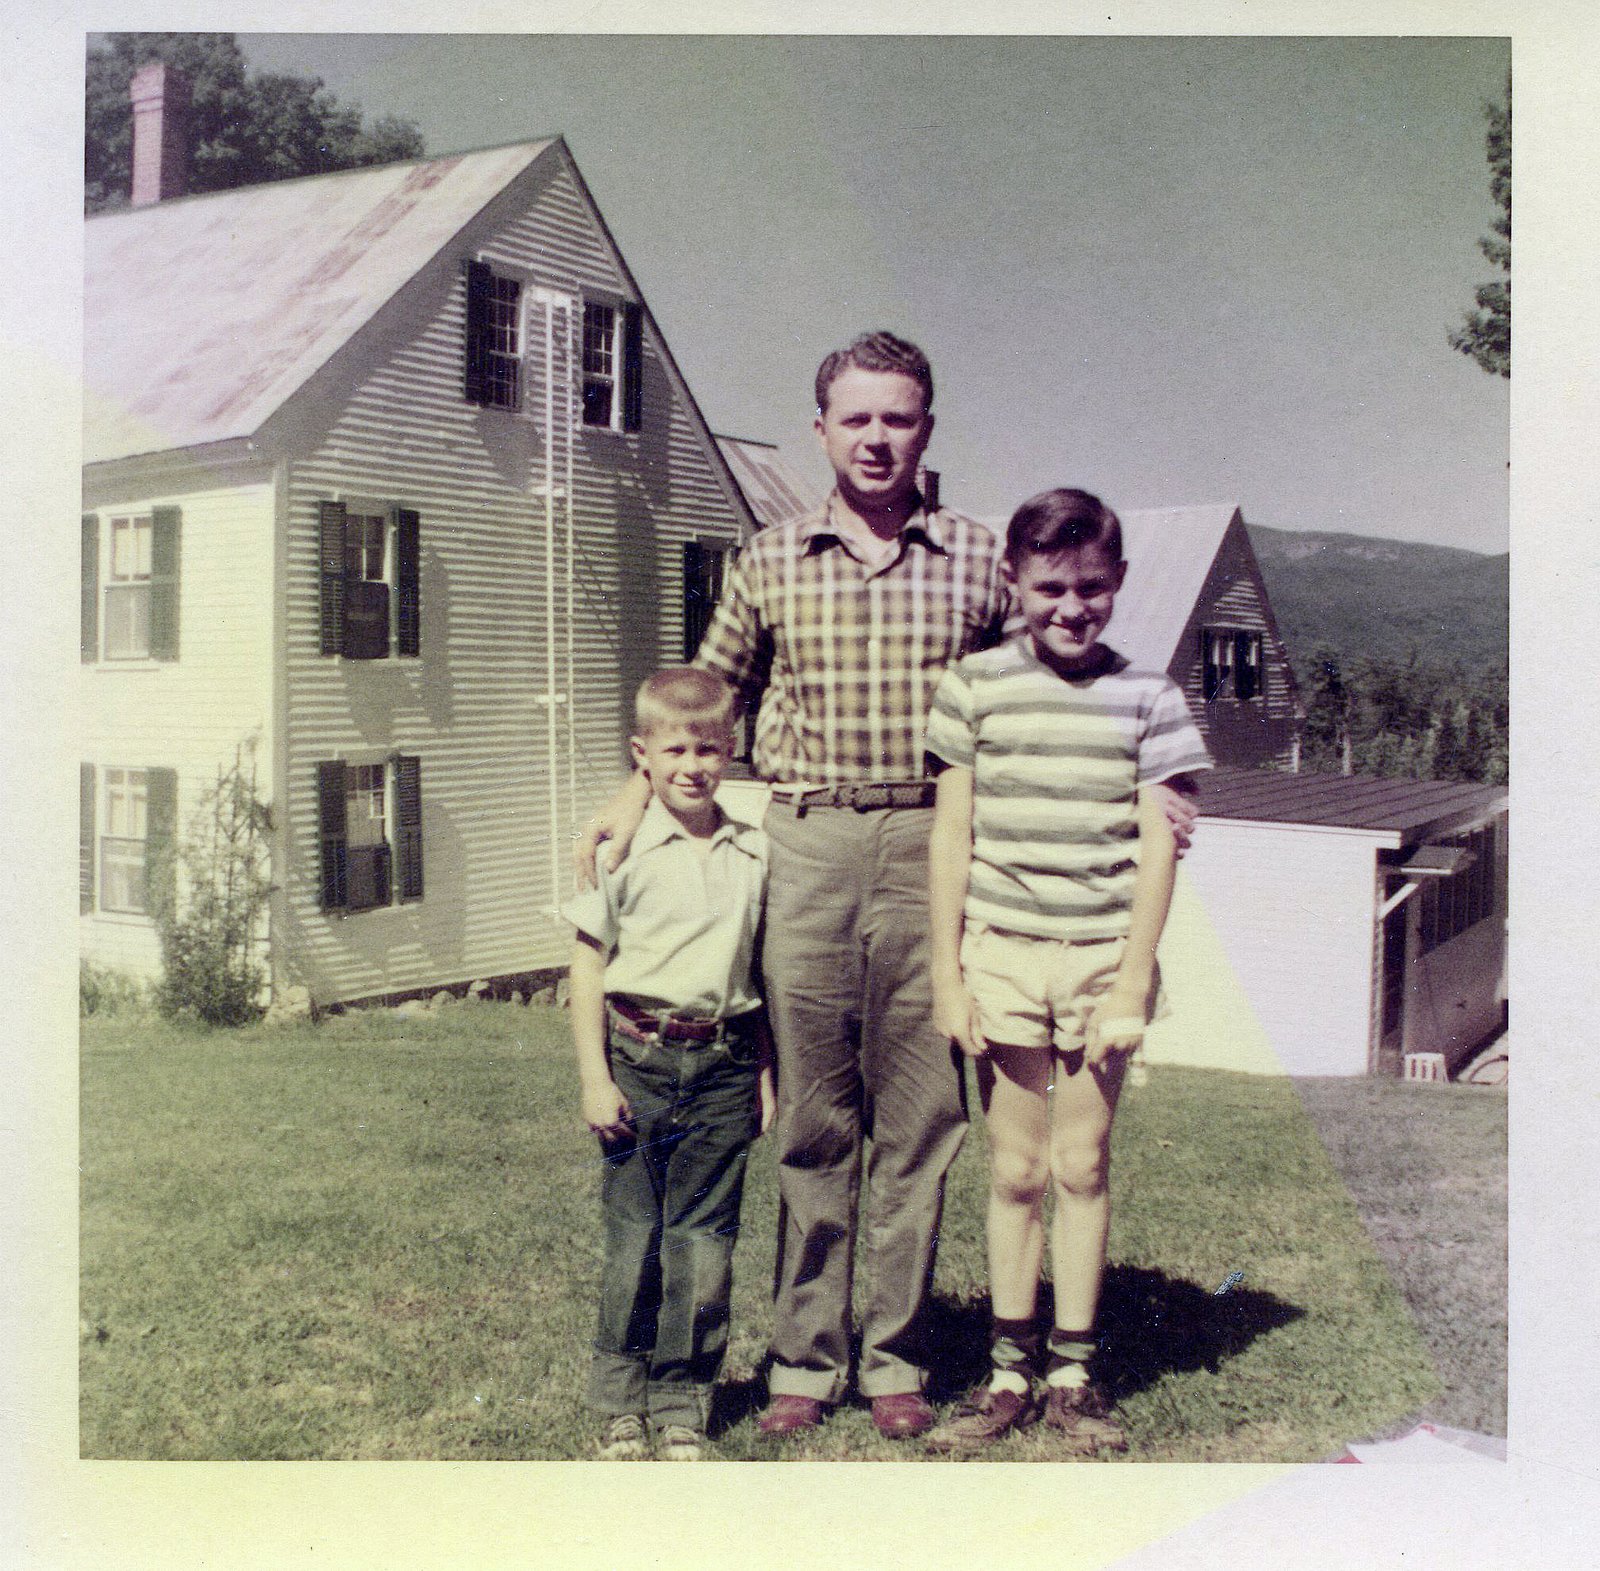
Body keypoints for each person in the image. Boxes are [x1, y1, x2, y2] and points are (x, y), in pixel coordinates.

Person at [576, 332, 1197, 1441]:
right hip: (808, 840)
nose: (876, 437)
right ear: (820, 428)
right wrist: (632, 795)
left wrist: (1151, 794)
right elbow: (700, 697)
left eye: (898, 417)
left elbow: (1048, 689)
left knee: (917, 1120)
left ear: (925, 429)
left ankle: (897, 1354)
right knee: (812, 1117)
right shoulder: (766, 559)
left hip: (932, 846)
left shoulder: (973, 557)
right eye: (854, 417)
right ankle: (804, 1362)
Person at [921, 488, 1211, 1453]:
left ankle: (1073, 1374)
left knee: (1080, 1161)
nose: (1071, 607)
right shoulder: (973, 686)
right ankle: (1006, 1372)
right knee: (1014, 1166)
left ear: (1118, 582)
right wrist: (951, 974)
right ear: (1015, 581)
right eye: (1050, 588)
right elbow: (952, 834)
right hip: (1001, 954)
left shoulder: (1151, 697)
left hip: (1099, 960)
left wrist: (1132, 980)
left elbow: (1161, 847)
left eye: (1091, 588)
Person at [564, 666, 776, 1461]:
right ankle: (622, 1399)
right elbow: (587, 966)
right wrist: (595, 1076)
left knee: (704, 1240)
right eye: (676, 748)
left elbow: (758, 973)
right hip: (638, 1060)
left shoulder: (752, 850)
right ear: (642, 755)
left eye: (711, 748)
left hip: (723, 1062)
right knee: (635, 1235)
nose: (694, 764)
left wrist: (763, 1070)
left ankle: (683, 1396)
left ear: (732, 750)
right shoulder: (619, 852)